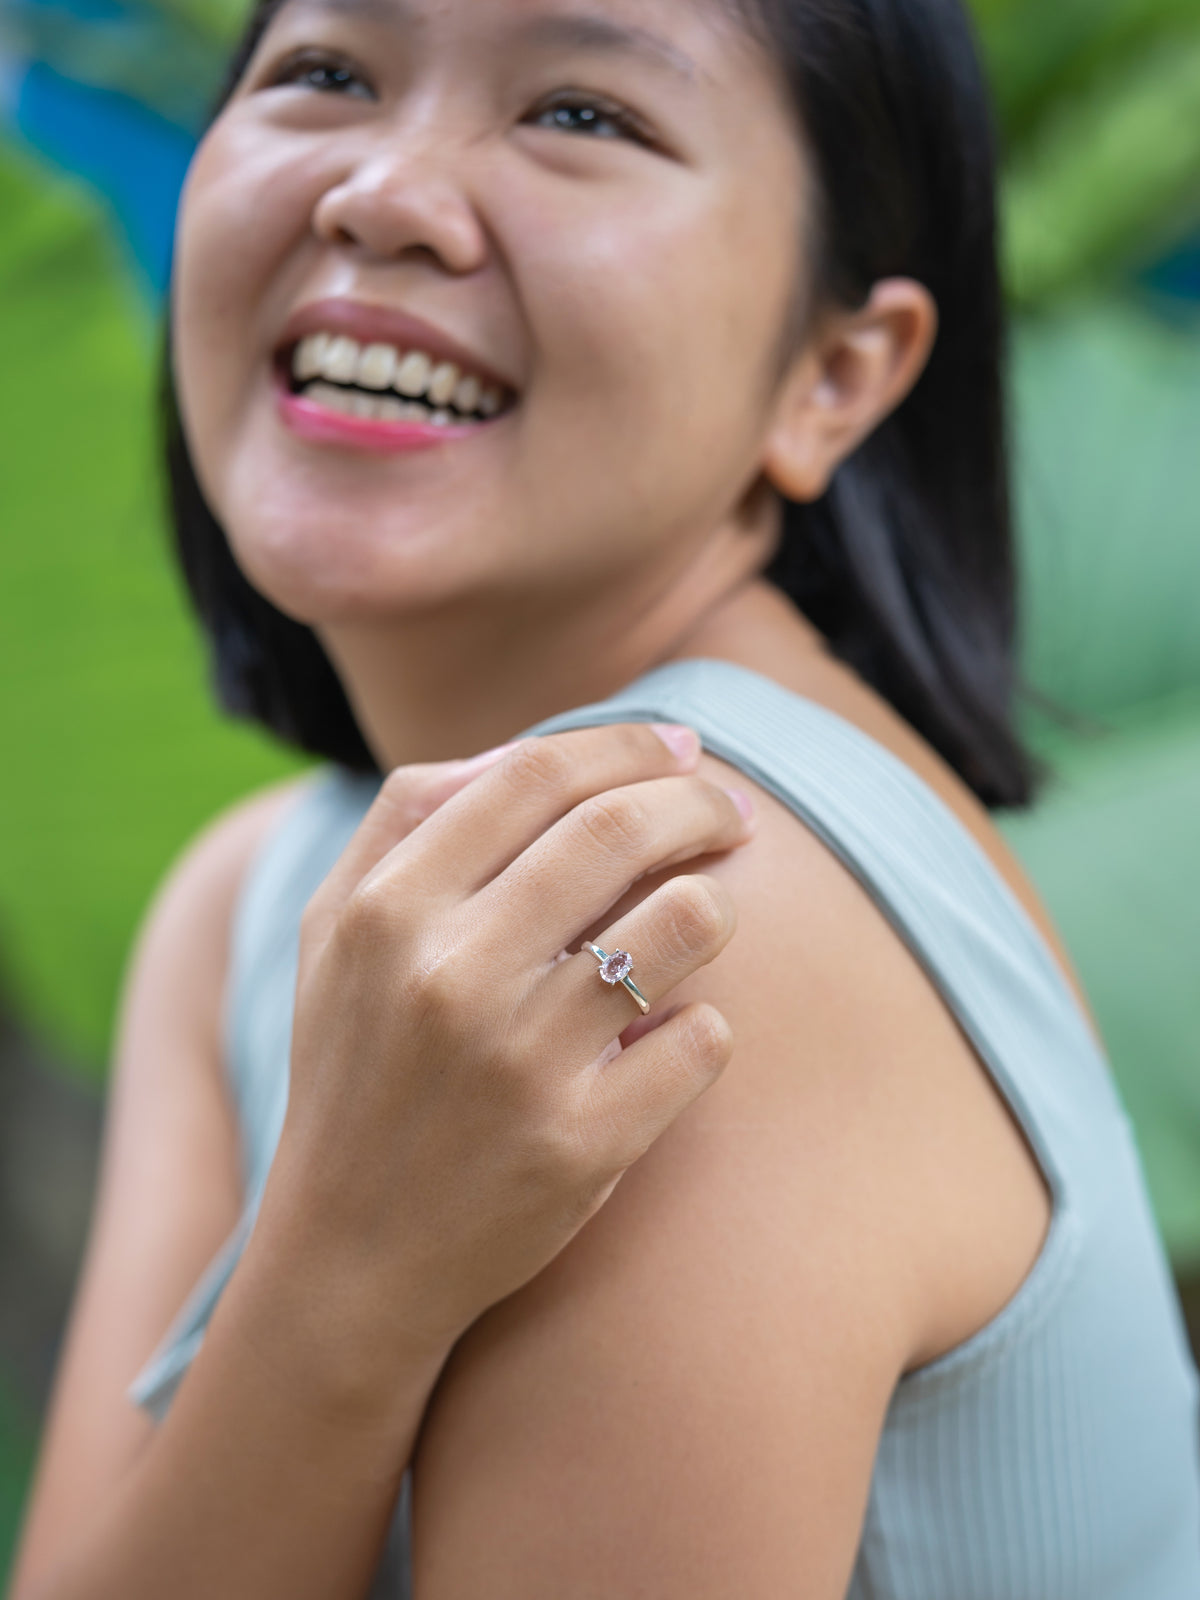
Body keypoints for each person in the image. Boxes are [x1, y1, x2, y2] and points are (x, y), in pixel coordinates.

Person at [10, 0, 1200, 1593]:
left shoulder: (693, 917)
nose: (385, 192)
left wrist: (348, 1279)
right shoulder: (246, 885)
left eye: (582, 115)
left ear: (835, 375)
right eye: (324, 73)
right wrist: (343, 1277)